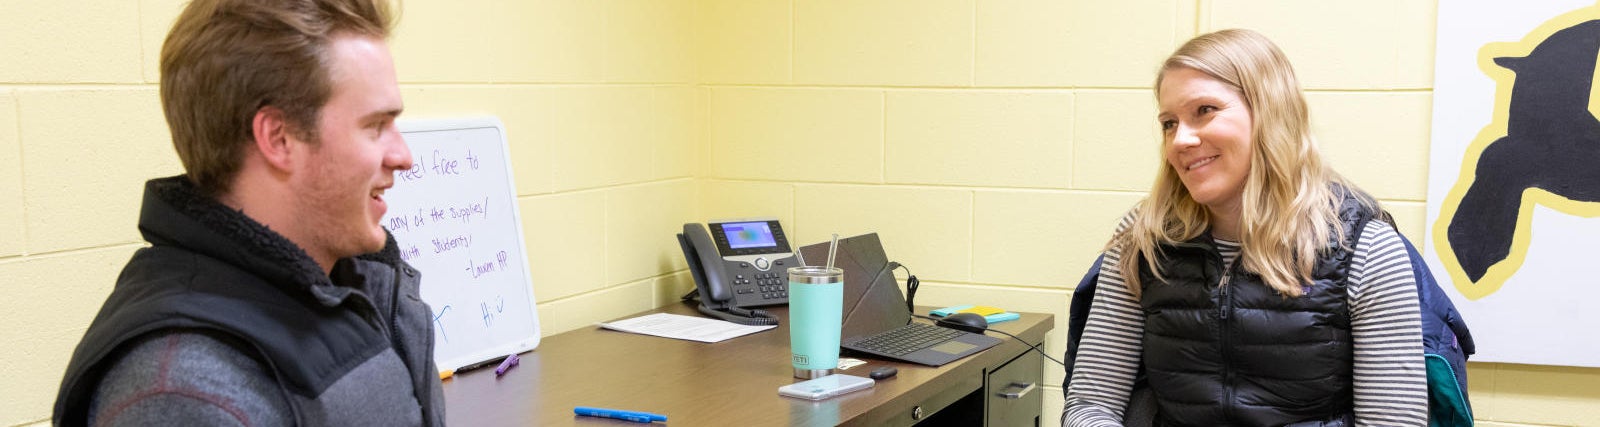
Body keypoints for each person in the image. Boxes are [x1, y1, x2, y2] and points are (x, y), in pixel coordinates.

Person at [52, 0, 444, 425]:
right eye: (375, 126)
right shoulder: (183, 392)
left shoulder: (351, 286)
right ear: (278, 138)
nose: (403, 156)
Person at [1062, 29, 1428, 426]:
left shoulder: (1364, 248)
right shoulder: (1143, 238)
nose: (1180, 140)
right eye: (1169, 123)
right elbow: (1090, 405)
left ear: (1269, 113)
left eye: (1204, 110)